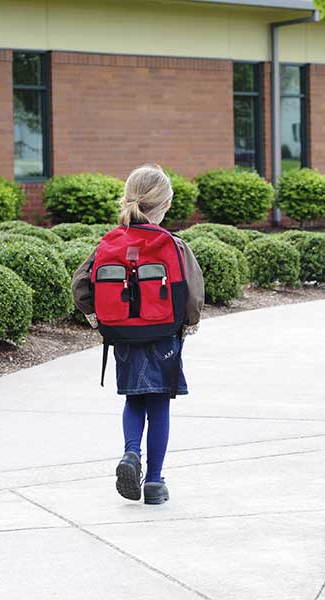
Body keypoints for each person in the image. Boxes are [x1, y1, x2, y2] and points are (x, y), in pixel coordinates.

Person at [71, 164, 204, 505]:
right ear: (167, 205)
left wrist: (95, 318)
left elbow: (80, 284)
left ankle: (131, 455)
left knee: (134, 399)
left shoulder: (111, 242)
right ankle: (155, 483)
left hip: (124, 336)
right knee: (159, 404)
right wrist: (190, 322)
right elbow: (192, 289)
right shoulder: (172, 244)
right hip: (163, 336)